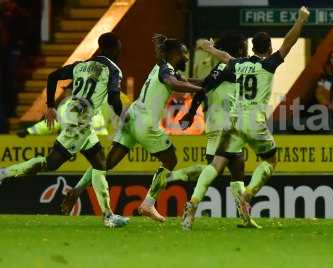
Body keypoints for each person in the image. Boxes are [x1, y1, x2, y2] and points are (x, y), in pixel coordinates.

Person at [180, 7, 310, 230]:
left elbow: (224, 57)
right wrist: (300, 20)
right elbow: (289, 42)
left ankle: (193, 204)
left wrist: (209, 48)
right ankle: (248, 194)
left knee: (217, 164)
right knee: (269, 161)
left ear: (252, 48)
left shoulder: (237, 64)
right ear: (269, 49)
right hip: (254, 121)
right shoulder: (269, 64)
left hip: (233, 121)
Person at [60, 34, 204, 221]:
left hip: (131, 116)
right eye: (184, 54)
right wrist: (200, 90)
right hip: (145, 123)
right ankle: (148, 204)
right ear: (175, 54)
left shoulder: (161, 66)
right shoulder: (166, 71)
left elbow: (184, 80)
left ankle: (77, 190)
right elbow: (174, 83)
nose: (186, 57)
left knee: (107, 163)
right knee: (170, 161)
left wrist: (209, 83)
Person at [0, 32, 129, 228]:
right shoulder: (113, 70)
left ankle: (108, 216)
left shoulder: (81, 66)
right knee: (50, 163)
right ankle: (4, 173)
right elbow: (113, 98)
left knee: (100, 163)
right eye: (118, 47)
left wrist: (50, 105)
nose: (120, 51)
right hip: (81, 120)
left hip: (74, 113)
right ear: (112, 49)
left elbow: (53, 76)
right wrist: (124, 119)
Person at [179, 32, 260, 228]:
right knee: (215, 168)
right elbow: (204, 87)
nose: (246, 49)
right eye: (243, 46)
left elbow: (204, 87)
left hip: (219, 123)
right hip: (226, 122)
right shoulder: (233, 66)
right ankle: (192, 205)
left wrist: (190, 112)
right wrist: (190, 111)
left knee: (237, 168)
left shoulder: (223, 67)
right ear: (239, 48)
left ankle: (245, 217)